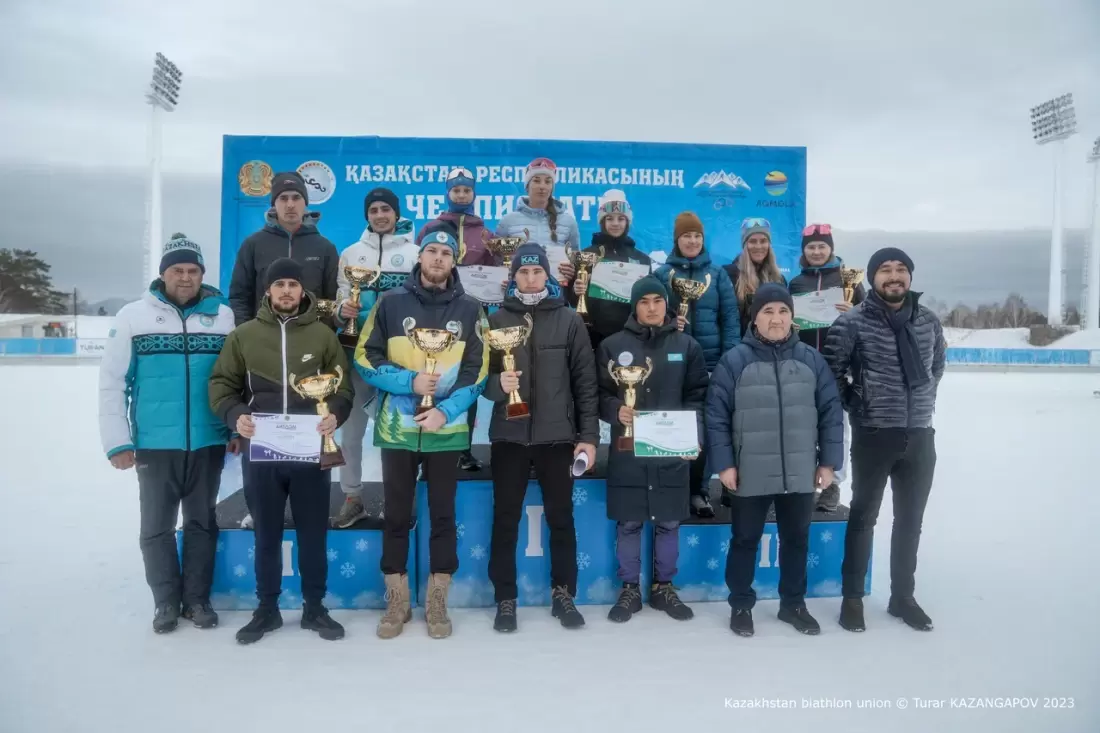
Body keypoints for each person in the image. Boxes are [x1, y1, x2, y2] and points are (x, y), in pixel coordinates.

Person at [209, 258, 354, 644]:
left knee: (312, 533)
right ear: (268, 291)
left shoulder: (323, 336)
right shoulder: (244, 336)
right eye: (280, 285)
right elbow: (222, 385)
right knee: (267, 534)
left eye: (293, 284)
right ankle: (267, 609)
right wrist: (236, 414)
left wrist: (334, 415)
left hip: (310, 449)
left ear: (303, 291)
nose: (287, 291)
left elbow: (343, 388)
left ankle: (314, 608)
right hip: (264, 451)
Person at [98, 234, 237, 634]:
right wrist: (117, 442)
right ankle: (165, 601)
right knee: (157, 527)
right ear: (163, 274)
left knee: (201, 523)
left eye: (193, 271)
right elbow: (112, 383)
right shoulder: (132, 317)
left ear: (202, 275)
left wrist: (234, 427)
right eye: (178, 270)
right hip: (155, 445)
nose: (185, 277)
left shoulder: (223, 316)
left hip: (208, 441)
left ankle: (196, 599)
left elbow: (233, 380)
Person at [355, 229, 488, 640]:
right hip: (397, 428)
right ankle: (396, 601)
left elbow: (478, 372)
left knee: (443, 515)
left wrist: (445, 411)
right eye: (431, 250)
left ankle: (436, 601)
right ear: (421, 256)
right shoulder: (390, 302)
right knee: (396, 514)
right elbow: (364, 356)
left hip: (446, 431)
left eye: (445, 253)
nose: (437, 258)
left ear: (454, 261)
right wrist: (410, 383)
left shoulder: (471, 309)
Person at [705, 283, 844, 637]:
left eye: (782, 311)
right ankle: (740, 604)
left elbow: (830, 413)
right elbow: (716, 416)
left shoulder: (811, 360)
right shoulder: (734, 360)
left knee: (796, 540)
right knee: (745, 539)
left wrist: (827, 463)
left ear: (792, 317)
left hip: (799, 471)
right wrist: (724, 465)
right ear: (755, 319)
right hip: (749, 470)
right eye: (768, 311)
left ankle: (793, 604)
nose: (776, 318)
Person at [824, 248, 945, 633]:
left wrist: (922, 404)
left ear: (909, 276)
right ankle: (853, 598)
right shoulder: (853, 322)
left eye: (901, 270)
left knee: (911, 521)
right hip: (875, 433)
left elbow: (936, 366)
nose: (894, 277)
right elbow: (831, 373)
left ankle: (902, 597)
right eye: (885, 270)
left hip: (920, 435)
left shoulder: (928, 321)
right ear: (873, 278)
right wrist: (858, 402)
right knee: (863, 518)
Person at [482, 243, 599, 632]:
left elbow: (586, 383)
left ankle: (563, 594)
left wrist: (589, 436)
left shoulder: (568, 320)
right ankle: (505, 598)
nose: (530, 279)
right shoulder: (495, 319)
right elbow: (479, 382)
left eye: (537, 273)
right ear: (512, 276)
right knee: (505, 519)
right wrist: (499, 386)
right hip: (509, 436)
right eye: (523, 272)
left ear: (547, 276)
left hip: (558, 438)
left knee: (561, 518)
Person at [596, 276, 708, 623]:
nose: (651, 308)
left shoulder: (687, 346)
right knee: (629, 523)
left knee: (669, 522)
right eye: (644, 301)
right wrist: (616, 409)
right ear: (634, 306)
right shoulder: (612, 346)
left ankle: (664, 588)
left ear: (667, 304)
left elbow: (698, 398)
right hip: (628, 449)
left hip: (671, 451)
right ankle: (629, 589)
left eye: (657, 301)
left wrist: (694, 437)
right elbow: (597, 394)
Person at [331, 187, 418, 528]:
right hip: (356, 354)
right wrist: (343, 310)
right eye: (374, 210)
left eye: (386, 209)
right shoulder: (351, 253)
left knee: (398, 431)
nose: (380, 215)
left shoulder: (415, 254)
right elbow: (340, 298)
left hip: (399, 360)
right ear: (367, 216)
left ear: (396, 214)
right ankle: (352, 497)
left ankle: (400, 499)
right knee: (351, 433)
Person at [654, 211, 739, 518]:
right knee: (675, 429)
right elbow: (650, 317)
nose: (692, 241)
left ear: (703, 240)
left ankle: (699, 491)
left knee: (704, 430)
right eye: (686, 236)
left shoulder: (717, 275)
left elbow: (730, 319)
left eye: (697, 236)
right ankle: (673, 488)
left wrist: (729, 359)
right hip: (672, 364)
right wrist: (667, 325)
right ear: (677, 240)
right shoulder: (662, 275)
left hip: (711, 362)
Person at [416, 167, 495, 472]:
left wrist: (499, 283)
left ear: (474, 194)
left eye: (467, 190)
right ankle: (423, 439)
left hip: (470, 314)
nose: (461, 195)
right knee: (431, 373)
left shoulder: (486, 233)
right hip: (432, 311)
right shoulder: (431, 227)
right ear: (447, 193)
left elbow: (495, 270)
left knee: (466, 377)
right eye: (456, 190)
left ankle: (462, 447)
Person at [787, 223, 866, 513]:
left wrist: (854, 313)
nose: (817, 251)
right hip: (805, 363)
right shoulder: (796, 283)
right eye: (811, 247)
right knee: (804, 425)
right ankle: (806, 480)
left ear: (830, 248)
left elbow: (870, 318)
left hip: (839, 365)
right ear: (804, 251)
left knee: (835, 426)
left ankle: (833, 485)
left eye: (822, 246)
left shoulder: (849, 280)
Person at [228, 171, 340, 326]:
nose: (290, 205)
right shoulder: (252, 245)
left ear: (305, 202)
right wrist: (247, 335)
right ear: (274, 203)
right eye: (283, 198)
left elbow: (333, 300)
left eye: (296, 197)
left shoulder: (325, 248)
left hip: (311, 340)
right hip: (263, 339)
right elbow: (239, 297)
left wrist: (322, 336)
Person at [568, 189, 653, 354]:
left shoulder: (641, 259)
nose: (615, 223)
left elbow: (647, 298)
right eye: (609, 218)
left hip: (631, 335)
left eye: (621, 218)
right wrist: (576, 290)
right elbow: (573, 301)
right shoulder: (586, 255)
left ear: (627, 222)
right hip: (593, 335)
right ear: (602, 222)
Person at [495, 157, 579, 286]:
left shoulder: (568, 222)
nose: (542, 187)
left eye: (547, 181)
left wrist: (572, 271)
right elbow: (496, 260)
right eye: (536, 181)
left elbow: (576, 260)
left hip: (556, 296)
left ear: (552, 187)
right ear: (527, 185)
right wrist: (503, 275)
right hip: (518, 297)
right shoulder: (508, 221)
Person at [723, 217, 788, 339]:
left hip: (772, 347)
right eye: (752, 241)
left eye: (763, 241)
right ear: (745, 245)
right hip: (741, 348)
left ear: (769, 244)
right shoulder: (729, 274)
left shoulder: (779, 279)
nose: (758, 246)